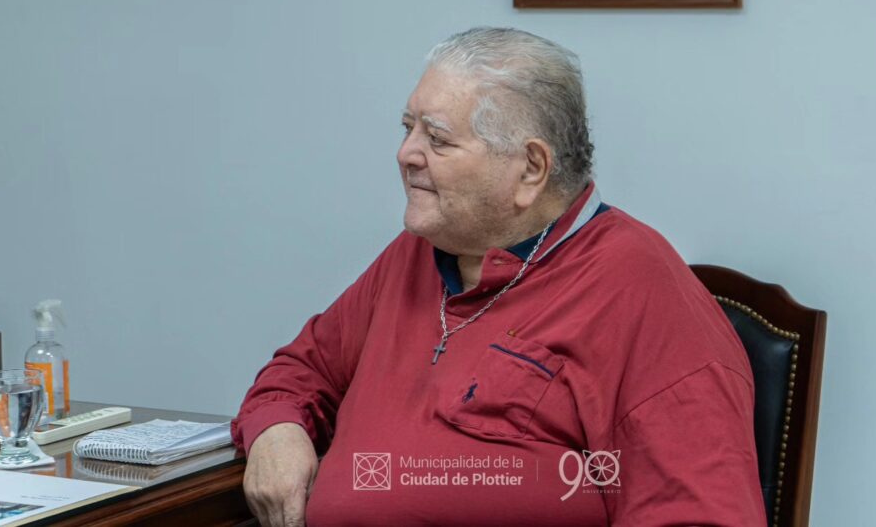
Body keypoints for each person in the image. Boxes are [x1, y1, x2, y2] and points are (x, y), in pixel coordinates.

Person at [232, 27, 765, 527]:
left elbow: (699, 514)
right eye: (407, 127)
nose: (405, 154)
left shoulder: (643, 291)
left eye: (437, 139)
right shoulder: (424, 248)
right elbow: (303, 369)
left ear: (530, 168)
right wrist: (277, 431)